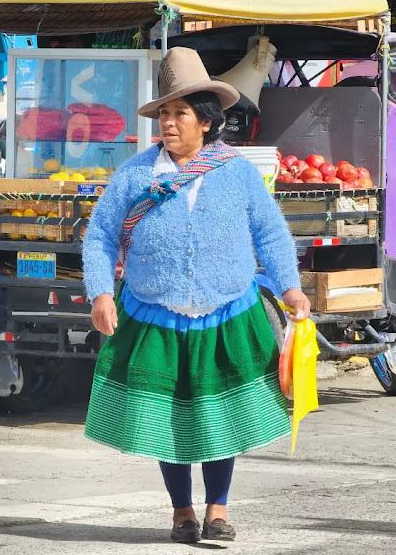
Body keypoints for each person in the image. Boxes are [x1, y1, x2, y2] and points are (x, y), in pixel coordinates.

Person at [82, 47, 311, 544]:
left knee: (218, 413)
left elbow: (270, 233)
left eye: (179, 113)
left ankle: (218, 510)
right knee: (170, 415)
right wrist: (101, 292)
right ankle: (181, 511)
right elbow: (100, 234)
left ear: (206, 122)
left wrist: (290, 285)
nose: (168, 122)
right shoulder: (137, 174)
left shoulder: (238, 173)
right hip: (155, 311)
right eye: (163, 112)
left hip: (226, 310)